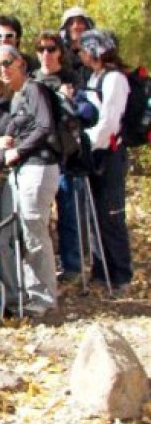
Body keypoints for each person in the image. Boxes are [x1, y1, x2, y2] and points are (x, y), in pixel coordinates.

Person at [0, 43, 60, 316]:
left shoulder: (34, 89)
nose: (2, 70)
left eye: (6, 63)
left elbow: (45, 126)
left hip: (39, 166)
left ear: (20, 62)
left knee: (34, 230)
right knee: (25, 231)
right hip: (23, 169)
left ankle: (44, 297)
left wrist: (18, 149)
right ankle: (33, 294)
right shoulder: (17, 96)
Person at [79, 30, 133, 296]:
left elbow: (110, 122)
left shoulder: (115, 79)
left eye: (84, 49)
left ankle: (121, 273)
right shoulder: (95, 77)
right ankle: (101, 271)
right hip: (95, 154)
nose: (81, 54)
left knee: (111, 214)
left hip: (110, 154)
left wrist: (87, 141)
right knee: (94, 214)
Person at [32, 31, 86, 282]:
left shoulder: (72, 78)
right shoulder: (31, 80)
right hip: (38, 154)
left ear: (60, 53)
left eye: (51, 49)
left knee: (68, 212)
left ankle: (72, 265)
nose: (46, 54)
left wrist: (66, 98)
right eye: (41, 49)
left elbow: (83, 115)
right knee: (38, 216)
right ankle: (43, 267)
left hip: (66, 155)